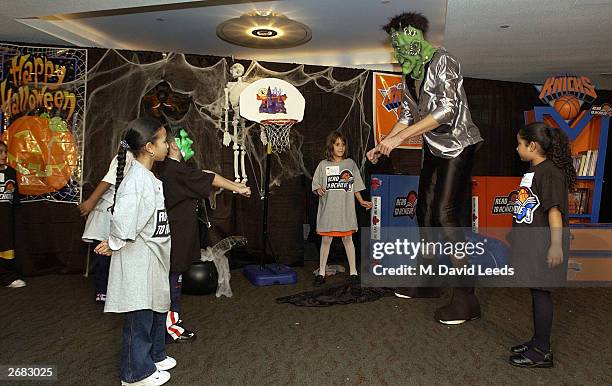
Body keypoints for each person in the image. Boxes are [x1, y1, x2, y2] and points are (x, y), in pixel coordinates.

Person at [366, 11, 484, 325]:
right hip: (434, 147)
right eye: (395, 47)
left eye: (402, 45)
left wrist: (402, 137)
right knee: (424, 212)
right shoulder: (410, 74)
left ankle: (466, 298)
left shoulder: (445, 62)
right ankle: (429, 282)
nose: (398, 52)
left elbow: (446, 110)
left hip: (459, 145)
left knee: (445, 213)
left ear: (416, 40)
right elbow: (406, 113)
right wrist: (383, 143)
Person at [95, 117, 174, 386]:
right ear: (150, 147)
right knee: (139, 314)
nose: (168, 145)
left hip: (153, 256)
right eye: (164, 141)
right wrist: (115, 241)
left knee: (156, 307)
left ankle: (155, 354)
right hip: (138, 258)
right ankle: (134, 373)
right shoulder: (135, 181)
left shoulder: (148, 177)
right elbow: (126, 218)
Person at [156, 128, 251, 344]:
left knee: (173, 281)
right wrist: (237, 188)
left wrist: (234, 186)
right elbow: (209, 177)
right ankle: (169, 328)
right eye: (185, 139)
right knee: (172, 283)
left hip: (176, 236)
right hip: (175, 238)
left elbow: (205, 174)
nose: (189, 140)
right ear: (172, 145)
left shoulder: (177, 169)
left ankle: (169, 325)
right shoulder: (174, 170)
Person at [508, 122, 573, 368]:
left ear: (532, 145)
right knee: (536, 293)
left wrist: (556, 245)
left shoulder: (550, 173)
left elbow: (554, 212)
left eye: (519, 144)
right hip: (532, 245)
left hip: (545, 245)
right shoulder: (534, 171)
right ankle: (537, 340)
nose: (516, 148)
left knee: (542, 294)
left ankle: (542, 351)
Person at [312, 131, 372, 286]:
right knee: (326, 240)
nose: (340, 148)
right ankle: (321, 273)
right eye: (337, 144)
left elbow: (355, 186)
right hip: (329, 211)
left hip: (345, 210)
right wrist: (319, 190)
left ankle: (353, 272)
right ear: (331, 146)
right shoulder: (323, 165)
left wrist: (361, 201)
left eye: (343, 144)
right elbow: (316, 186)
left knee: (348, 239)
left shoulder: (350, 164)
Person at [80, 151, 134, 302]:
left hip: (119, 212)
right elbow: (108, 180)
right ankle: (102, 290)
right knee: (104, 255)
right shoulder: (126, 157)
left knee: (114, 255)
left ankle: (112, 289)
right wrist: (91, 202)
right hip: (108, 213)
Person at [0, 140, 26, 288]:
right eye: (0, 152)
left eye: (5, 152)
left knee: (6, 248)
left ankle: (7, 277)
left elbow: (15, 197)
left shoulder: (10, 171)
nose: (4, 155)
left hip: (6, 218)